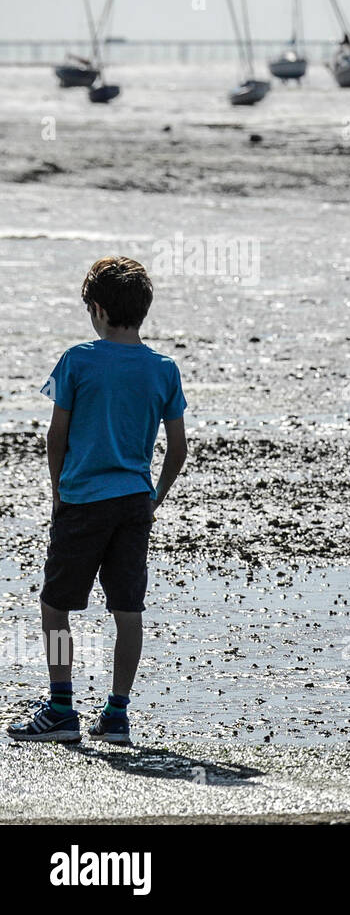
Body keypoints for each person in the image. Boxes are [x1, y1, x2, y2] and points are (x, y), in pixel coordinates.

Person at [7, 256, 187, 745]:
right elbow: (178, 448)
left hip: (84, 498)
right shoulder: (163, 369)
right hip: (133, 499)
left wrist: (57, 493)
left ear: (99, 309)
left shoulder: (78, 360)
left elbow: (55, 436)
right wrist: (154, 498)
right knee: (128, 608)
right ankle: (117, 713)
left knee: (55, 604)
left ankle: (62, 708)